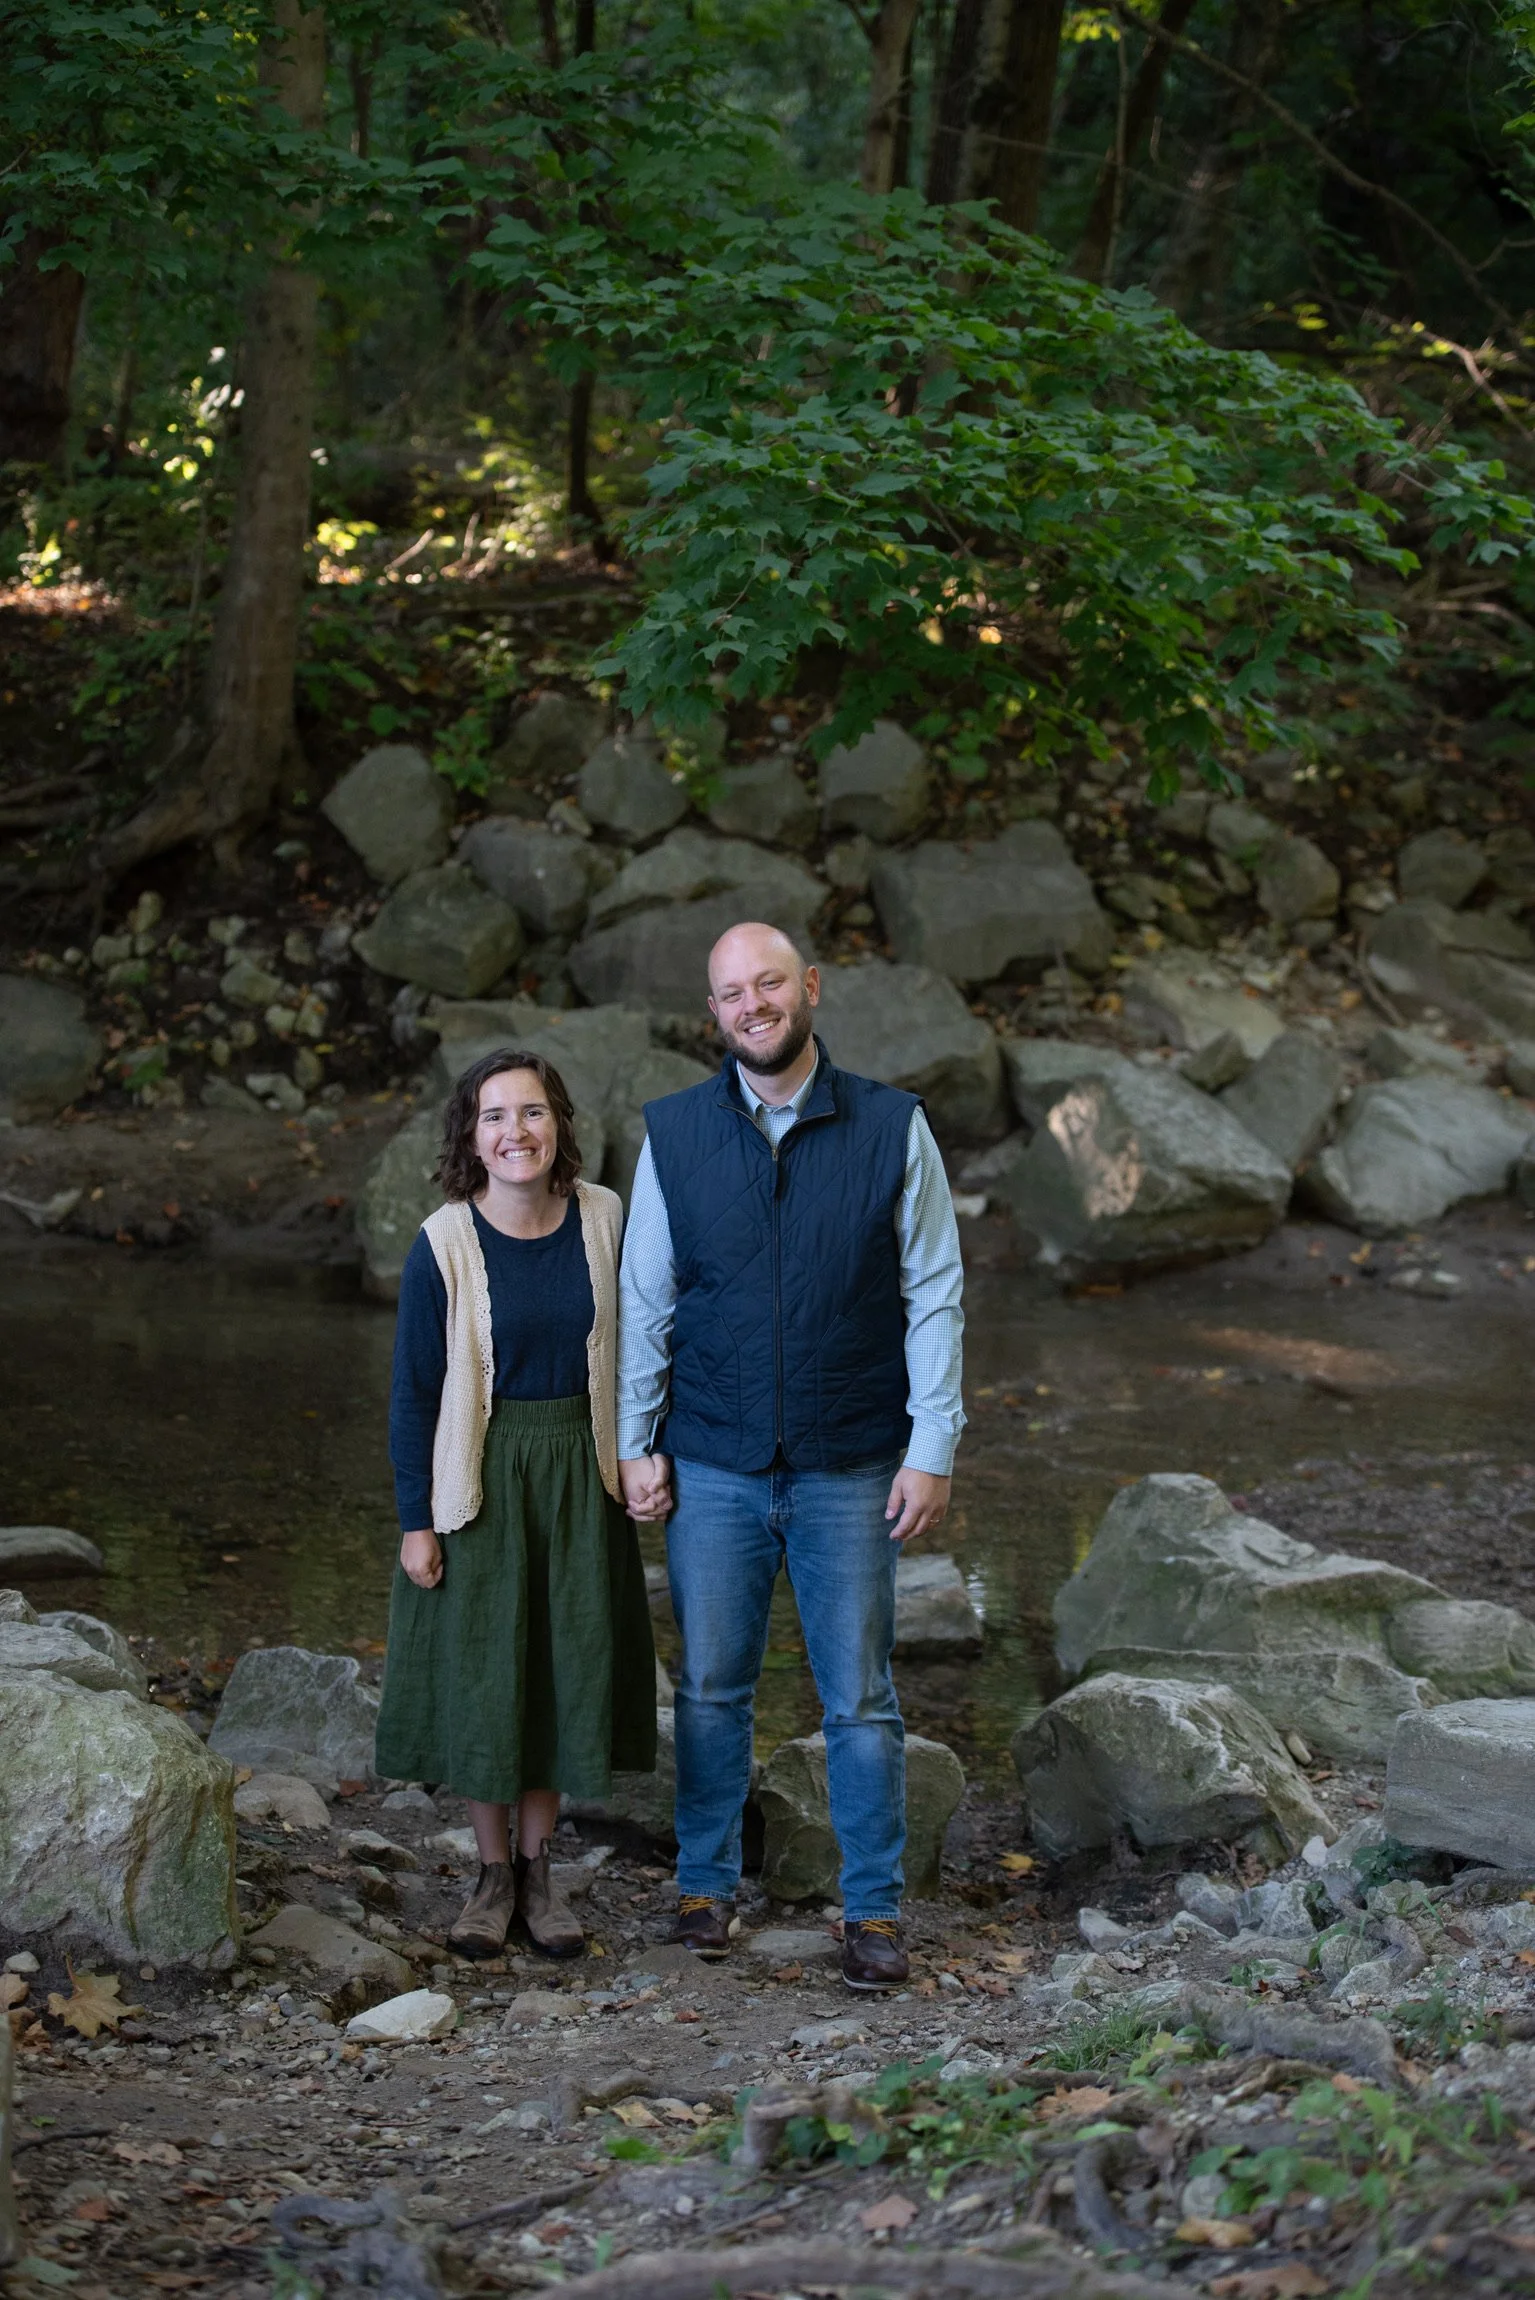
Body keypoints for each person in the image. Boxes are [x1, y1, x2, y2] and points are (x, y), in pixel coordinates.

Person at [617, 923, 965, 1991]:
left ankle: (871, 1910)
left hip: (851, 1460)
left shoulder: (891, 1125)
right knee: (713, 1686)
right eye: (731, 992)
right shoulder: (673, 1133)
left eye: (769, 982)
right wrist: (635, 1439)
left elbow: (934, 1292)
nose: (752, 1004)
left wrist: (932, 1445)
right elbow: (644, 1300)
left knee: (858, 1695)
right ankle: (703, 1884)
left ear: (807, 987)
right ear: (712, 1011)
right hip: (711, 1461)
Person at [376, 1047, 658, 1961]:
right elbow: (415, 1392)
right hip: (481, 1481)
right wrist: (416, 1519)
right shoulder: (443, 1242)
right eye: (494, 1117)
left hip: (581, 1476)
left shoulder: (608, 1218)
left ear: (559, 1124)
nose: (515, 1133)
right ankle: (491, 1877)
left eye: (531, 1113)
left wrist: (646, 1452)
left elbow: (652, 1342)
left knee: (558, 1674)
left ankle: (542, 1876)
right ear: (471, 1135)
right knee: (487, 1679)